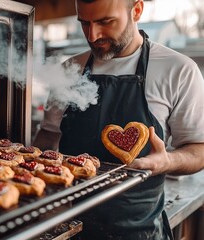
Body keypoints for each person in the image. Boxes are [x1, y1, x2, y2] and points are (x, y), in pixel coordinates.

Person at [33, 0, 204, 239]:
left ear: (136, 11)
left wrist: (168, 162)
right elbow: (48, 138)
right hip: (68, 228)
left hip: (137, 229)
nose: (92, 35)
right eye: (84, 23)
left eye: (105, 21)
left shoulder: (178, 70)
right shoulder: (69, 69)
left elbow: (199, 149)